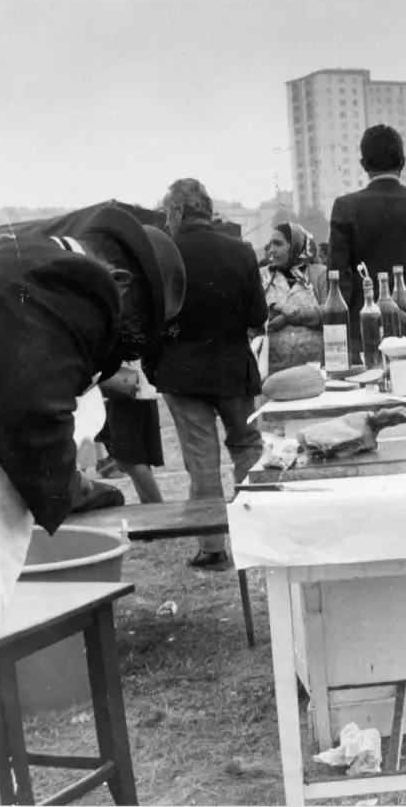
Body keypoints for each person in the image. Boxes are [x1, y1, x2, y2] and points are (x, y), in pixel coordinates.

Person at [0, 208, 185, 804]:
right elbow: (28, 408)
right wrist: (68, 490)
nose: (121, 355)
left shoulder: (16, 256)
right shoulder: (83, 278)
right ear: (121, 283)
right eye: (132, 331)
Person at [154, 178, 269, 569]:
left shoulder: (161, 256)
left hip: (182, 375)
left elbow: (150, 322)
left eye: (167, 213)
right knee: (248, 446)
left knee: (201, 463)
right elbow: (258, 316)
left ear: (179, 212)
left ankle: (213, 547)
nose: (166, 222)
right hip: (233, 369)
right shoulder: (241, 251)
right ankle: (261, 533)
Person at [329, 124, 406, 352]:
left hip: (366, 332)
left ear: (363, 164)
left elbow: (339, 281)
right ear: (403, 162)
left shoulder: (344, 207)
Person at [261, 222, 329, 375]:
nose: (271, 250)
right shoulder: (263, 276)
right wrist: (275, 308)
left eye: (278, 244)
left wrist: (290, 317)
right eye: (270, 244)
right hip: (273, 369)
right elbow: (254, 313)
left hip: (314, 367)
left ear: (295, 246)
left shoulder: (319, 274)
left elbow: (329, 311)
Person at [95, 360, 165, 503]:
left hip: (130, 388)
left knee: (129, 457)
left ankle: (158, 508)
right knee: (130, 458)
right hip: (122, 388)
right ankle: (150, 509)